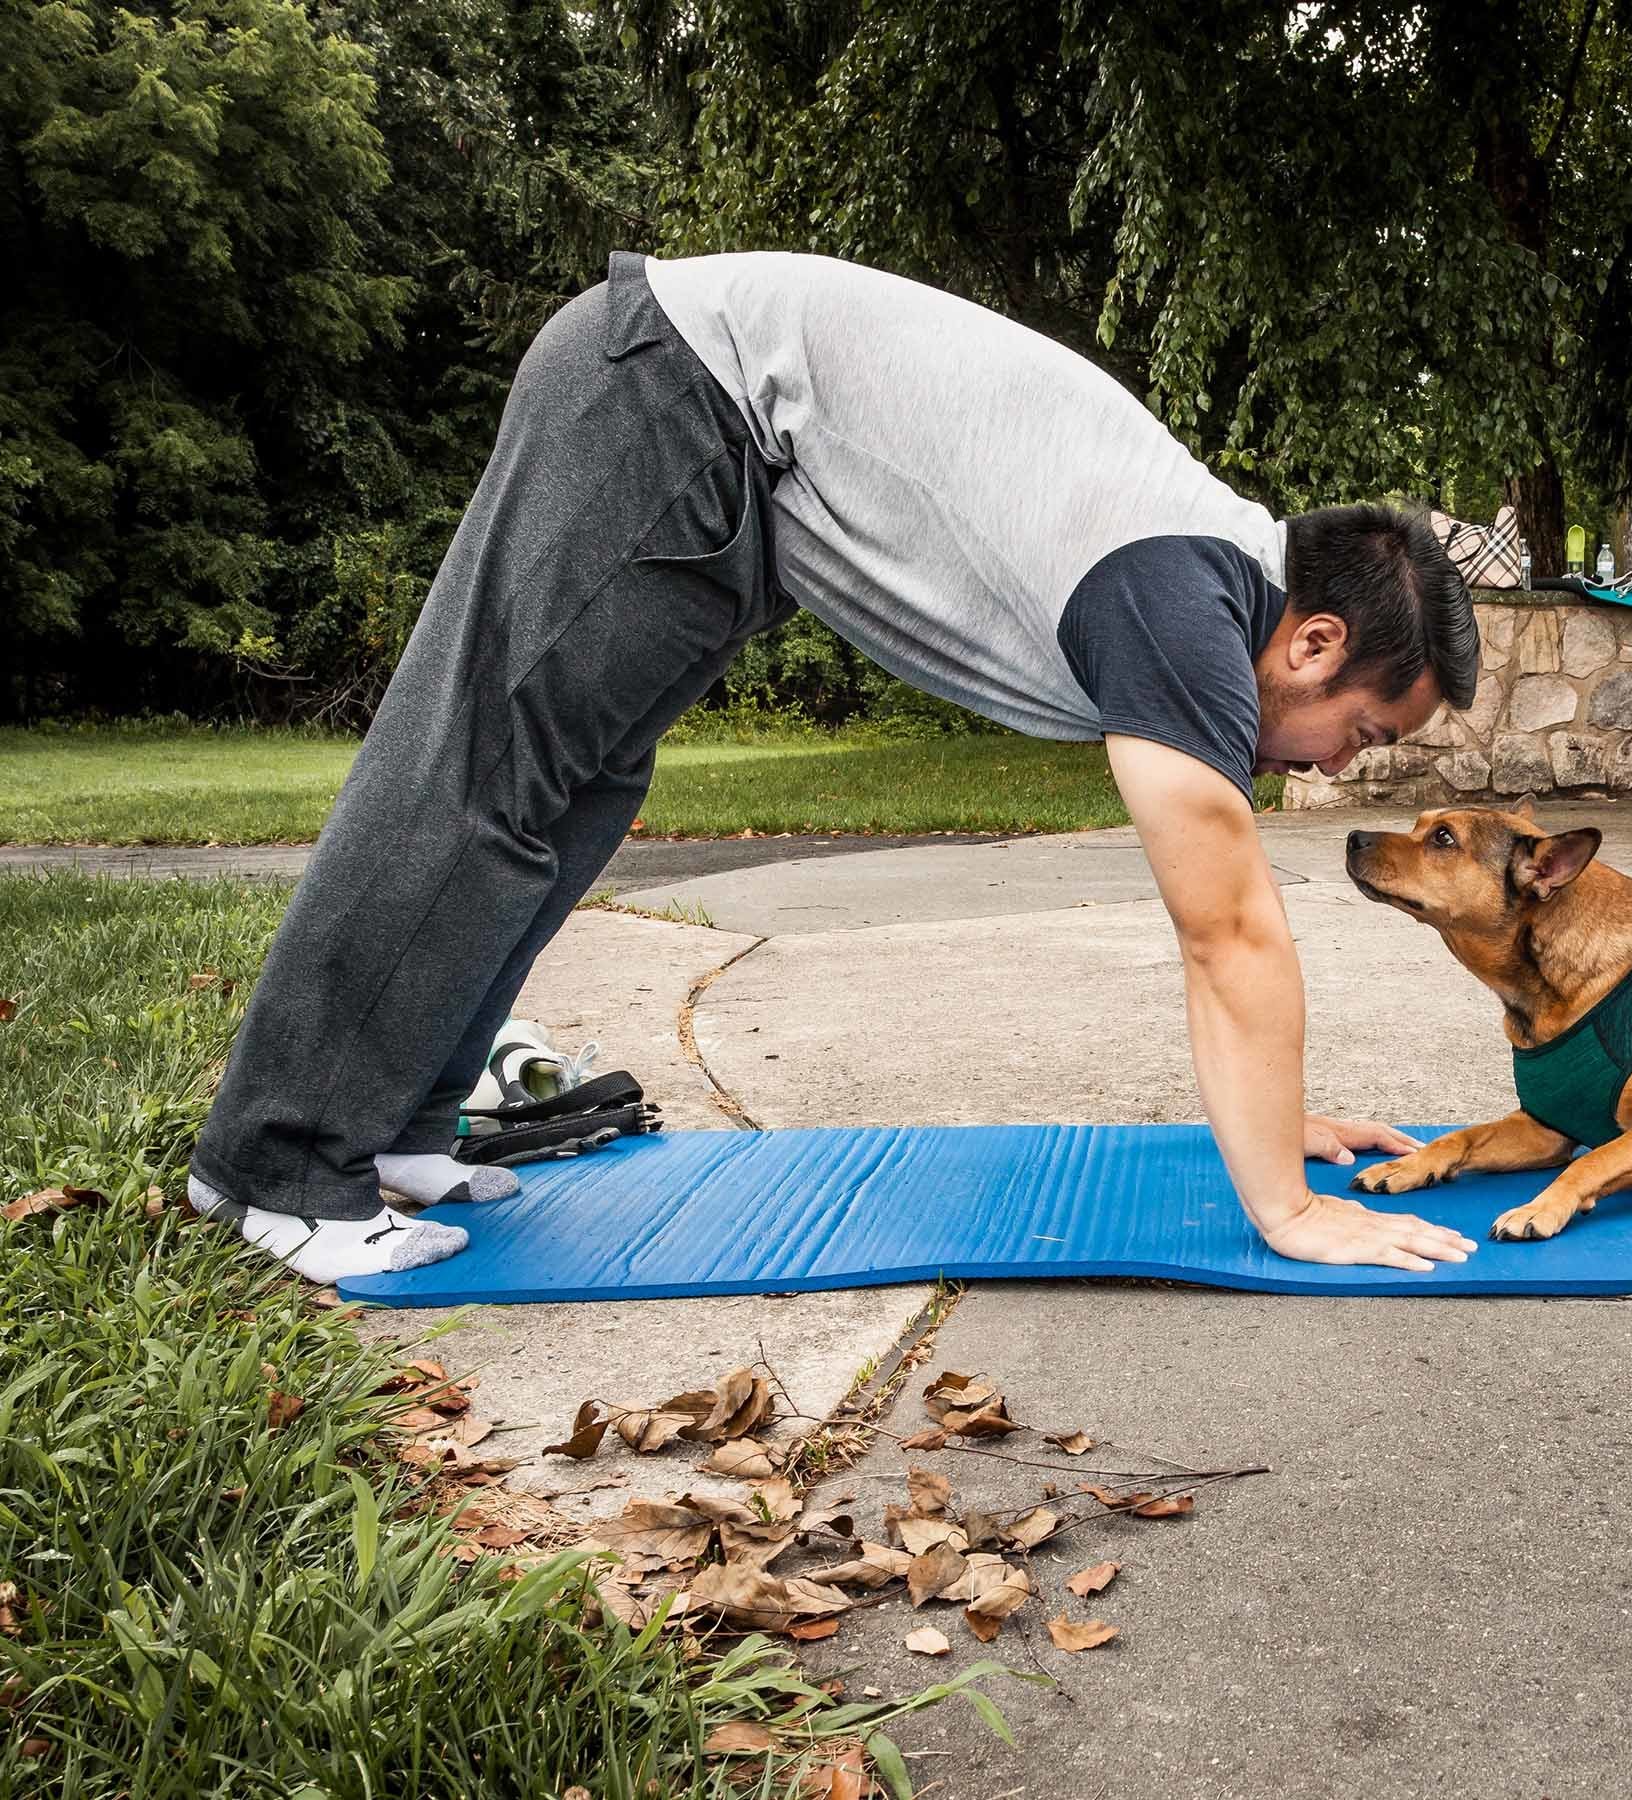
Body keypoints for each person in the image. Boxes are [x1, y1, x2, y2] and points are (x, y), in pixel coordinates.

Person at [185, 250, 1483, 1284]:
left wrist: (1271, 1122)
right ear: (1315, 642)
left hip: (733, 466)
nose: (1335, 768)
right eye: (1364, 732)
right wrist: (1286, 1207)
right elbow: (1228, 930)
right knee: (492, 774)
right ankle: (277, 1167)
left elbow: (1221, 931)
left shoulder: (1196, 578)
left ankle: (400, 1129)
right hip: (679, 393)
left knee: (577, 794)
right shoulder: (1184, 599)